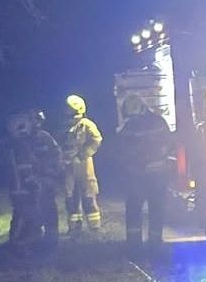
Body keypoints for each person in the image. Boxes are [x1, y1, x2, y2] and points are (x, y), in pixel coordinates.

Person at [117, 94, 174, 253]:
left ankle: (134, 245)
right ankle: (155, 242)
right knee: (156, 207)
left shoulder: (130, 127)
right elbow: (169, 144)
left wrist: (130, 166)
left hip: (138, 175)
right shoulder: (159, 122)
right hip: (157, 173)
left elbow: (122, 150)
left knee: (134, 207)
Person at [2, 109, 63, 252]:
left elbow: (56, 154)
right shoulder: (17, 143)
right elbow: (18, 165)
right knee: (25, 212)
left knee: (48, 209)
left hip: (45, 181)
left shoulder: (44, 137)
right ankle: (21, 242)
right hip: (26, 185)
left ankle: (50, 239)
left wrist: (52, 173)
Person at [62, 94, 103, 236]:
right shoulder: (65, 126)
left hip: (84, 164)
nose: (66, 111)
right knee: (70, 197)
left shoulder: (86, 124)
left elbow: (97, 139)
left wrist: (83, 155)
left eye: (68, 108)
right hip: (68, 165)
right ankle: (74, 226)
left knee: (88, 196)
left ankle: (94, 227)